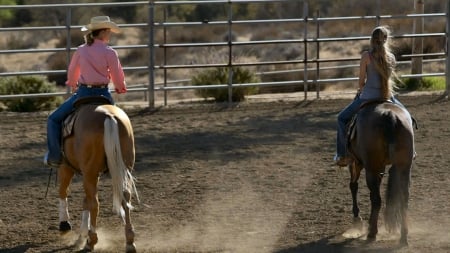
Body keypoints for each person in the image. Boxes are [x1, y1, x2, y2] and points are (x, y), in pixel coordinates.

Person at [44, 16, 127, 168]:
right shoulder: (110, 52)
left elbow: (72, 71)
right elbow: (117, 74)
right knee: (118, 123)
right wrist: (120, 87)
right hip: (103, 95)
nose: (110, 34)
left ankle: (55, 156)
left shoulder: (81, 50)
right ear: (102, 32)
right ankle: (119, 156)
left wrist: (73, 83)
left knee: (53, 120)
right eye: (109, 31)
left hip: (83, 93)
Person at [334, 26, 410, 167]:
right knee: (407, 118)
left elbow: (361, 81)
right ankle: (411, 151)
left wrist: (360, 91)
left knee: (342, 118)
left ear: (372, 39)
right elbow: (387, 80)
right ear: (386, 40)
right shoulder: (391, 58)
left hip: (367, 96)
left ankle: (342, 155)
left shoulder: (366, 56)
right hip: (387, 96)